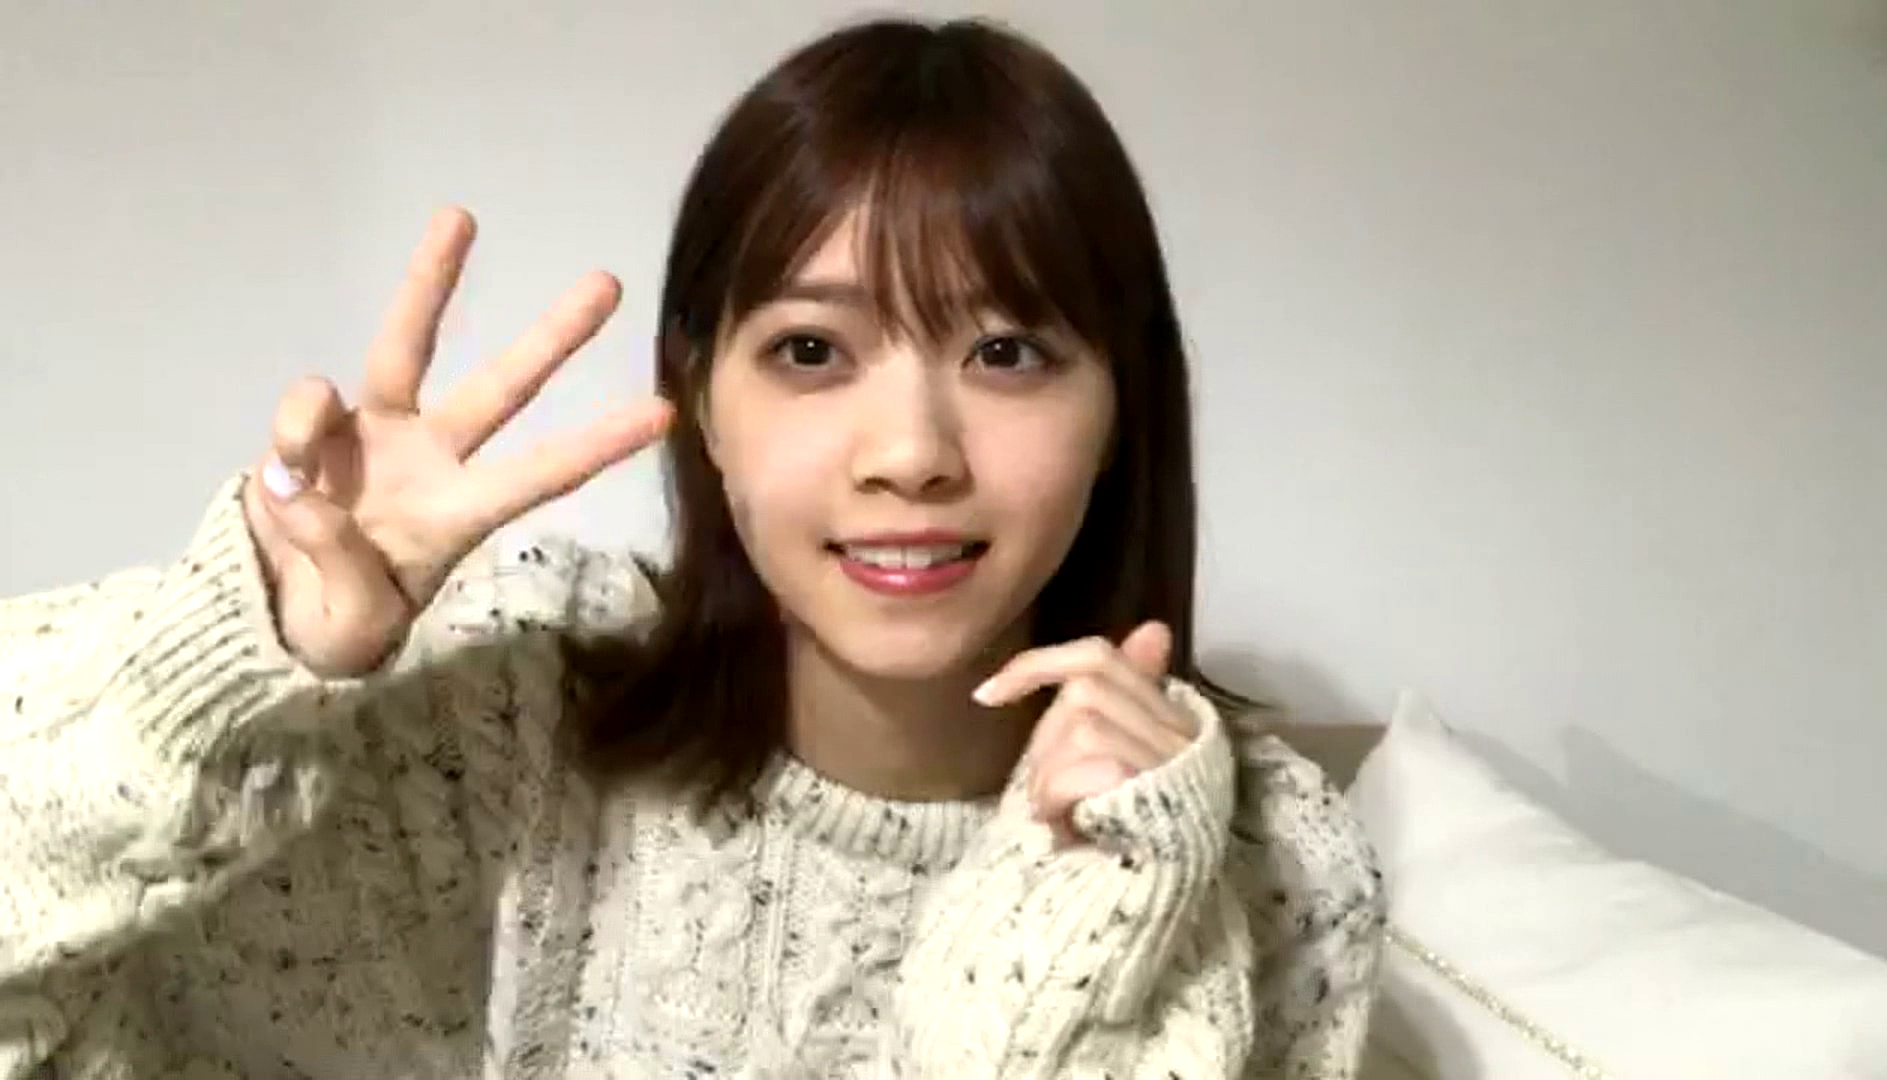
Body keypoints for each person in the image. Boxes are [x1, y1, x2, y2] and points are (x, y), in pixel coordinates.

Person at [0, 16, 1382, 1080]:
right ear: (703, 399)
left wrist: (1082, 916)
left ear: (1123, 407)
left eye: (1009, 350)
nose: (911, 452)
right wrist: (237, 658)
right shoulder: (502, 718)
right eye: (812, 351)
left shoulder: (1272, 862)